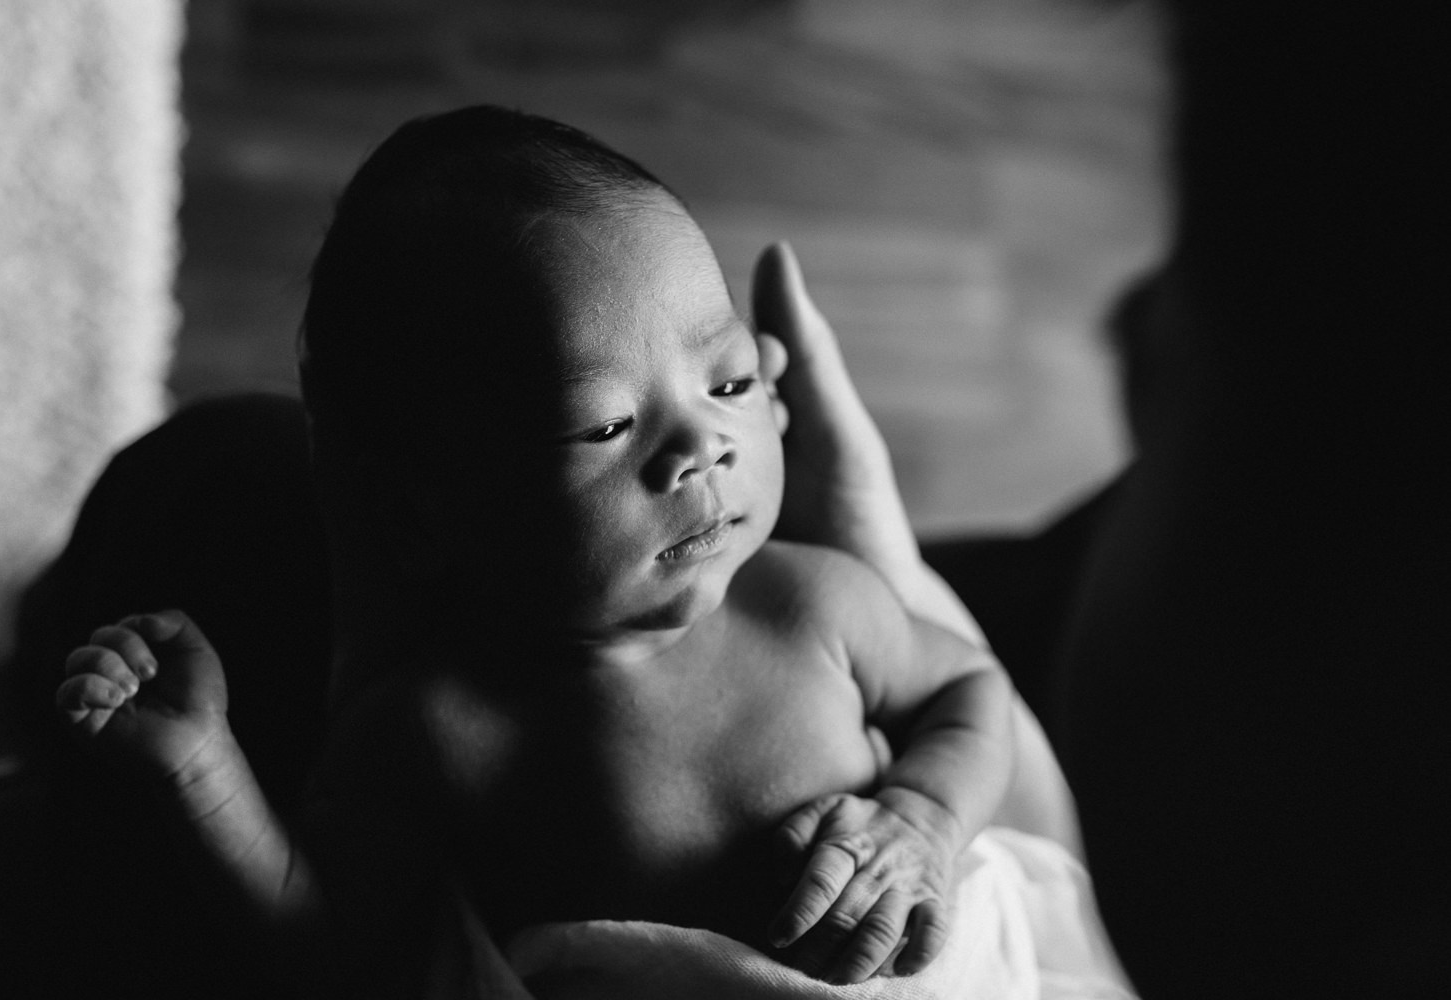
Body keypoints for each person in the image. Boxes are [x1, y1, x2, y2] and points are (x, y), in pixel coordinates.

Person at [55, 108, 1106, 997]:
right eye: (605, 427)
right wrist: (199, 766)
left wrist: (922, 816)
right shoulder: (443, 728)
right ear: (425, 516)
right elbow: (328, 944)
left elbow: (967, 688)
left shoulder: (814, 603)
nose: (702, 446)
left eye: (731, 381)